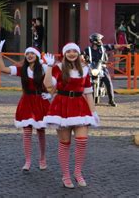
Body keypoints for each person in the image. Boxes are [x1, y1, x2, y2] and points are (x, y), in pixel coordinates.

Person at [43, 43, 99, 189]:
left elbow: (88, 92)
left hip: (80, 106)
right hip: (62, 105)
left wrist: (93, 112)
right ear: (64, 53)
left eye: (75, 51)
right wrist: (49, 67)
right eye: (69, 51)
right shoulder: (58, 68)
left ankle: (78, 172)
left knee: (82, 141)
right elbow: (48, 86)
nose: (72, 53)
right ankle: (66, 175)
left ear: (78, 53)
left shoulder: (85, 69)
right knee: (65, 142)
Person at [0, 41, 50, 171]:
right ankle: (28, 161)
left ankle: (42, 158)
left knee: (41, 131)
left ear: (37, 56)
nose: (30, 56)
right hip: (26, 101)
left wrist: (50, 93)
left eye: (32, 53)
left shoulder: (43, 68)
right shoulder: (22, 69)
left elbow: (55, 80)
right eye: (28, 54)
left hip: (40, 100)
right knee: (26, 132)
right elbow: (3, 69)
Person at [82, 33, 128, 107]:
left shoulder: (104, 48)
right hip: (91, 68)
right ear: (94, 41)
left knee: (108, 82)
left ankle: (111, 100)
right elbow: (82, 55)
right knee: (83, 80)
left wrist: (124, 45)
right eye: (99, 40)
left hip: (102, 67)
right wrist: (83, 57)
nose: (100, 41)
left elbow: (114, 46)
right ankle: (82, 99)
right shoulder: (88, 49)